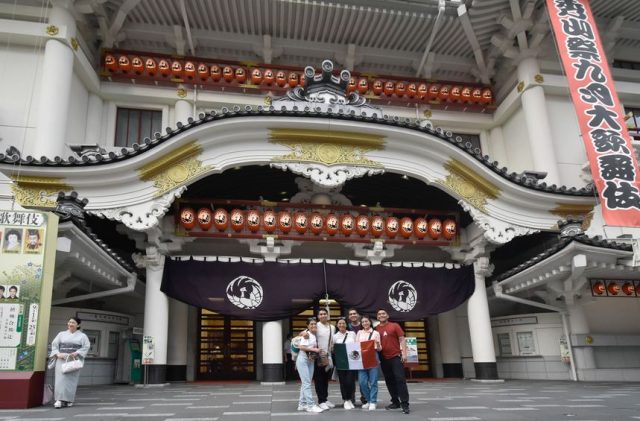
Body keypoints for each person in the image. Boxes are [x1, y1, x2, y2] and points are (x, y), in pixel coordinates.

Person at [50, 317, 90, 408]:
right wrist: (57, 353)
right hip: (61, 359)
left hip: (73, 359)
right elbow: (54, 345)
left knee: (71, 381)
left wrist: (77, 352)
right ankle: (59, 400)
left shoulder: (82, 336)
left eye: (73, 322)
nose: (70, 324)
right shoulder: (61, 334)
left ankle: (69, 399)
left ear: (78, 325)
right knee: (60, 380)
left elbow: (86, 347)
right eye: (69, 322)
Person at [376, 308, 410, 414]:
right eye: (379, 314)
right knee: (389, 380)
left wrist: (404, 353)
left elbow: (402, 339)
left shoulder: (394, 325)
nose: (381, 315)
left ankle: (405, 404)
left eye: (383, 313)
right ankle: (395, 402)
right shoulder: (375, 329)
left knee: (400, 379)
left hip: (396, 356)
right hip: (384, 358)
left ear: (387, 316)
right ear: (377, 317)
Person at [296, 317, 325, 413]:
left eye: (314, 324)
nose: (313, 325)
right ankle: (311, 405)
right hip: (303, 360)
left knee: (306, 383)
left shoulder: (313, 334)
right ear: (307, 325)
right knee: (307, 383)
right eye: (311, 324)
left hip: (310, 360)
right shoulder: (307, 334)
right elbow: (301, 347)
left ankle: (302, 404)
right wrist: (314, 350)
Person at [356, 315, 382, 410]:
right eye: (363, 322)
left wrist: (378, 344)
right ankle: (369, 400)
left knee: (373, 381)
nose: (365, 323)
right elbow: (356, 346)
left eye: (366, 321)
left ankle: (373, 401)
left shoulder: (376, 333)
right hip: (361, 359)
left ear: (370, 322)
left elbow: (379, 349)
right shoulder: (359, 332)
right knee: (362, 382)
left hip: (373, 357)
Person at [331, 317, 357, 409]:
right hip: (340, 362)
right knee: (343, 382)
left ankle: (350, 399)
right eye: (339, 323)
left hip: (352, 362)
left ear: (346, 324)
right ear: (337, 325)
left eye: (343, 323)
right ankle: (346, 400)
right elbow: (332, 349)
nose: (341, 325)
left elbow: (356, 346)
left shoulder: (352, 334)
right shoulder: (334, 336)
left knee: (350, 381)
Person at [313, 308, 335, 410]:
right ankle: (320, 400)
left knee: (326, 379)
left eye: (324, 314)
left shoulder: (332, 327)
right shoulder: (315, 325)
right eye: (320, 314)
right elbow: (305, 332)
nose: (322, 315)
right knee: (319, 379)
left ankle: (325, 399)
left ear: (327, 315)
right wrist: (304, 333)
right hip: (318, 356)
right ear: (318, 316)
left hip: (328, 356)